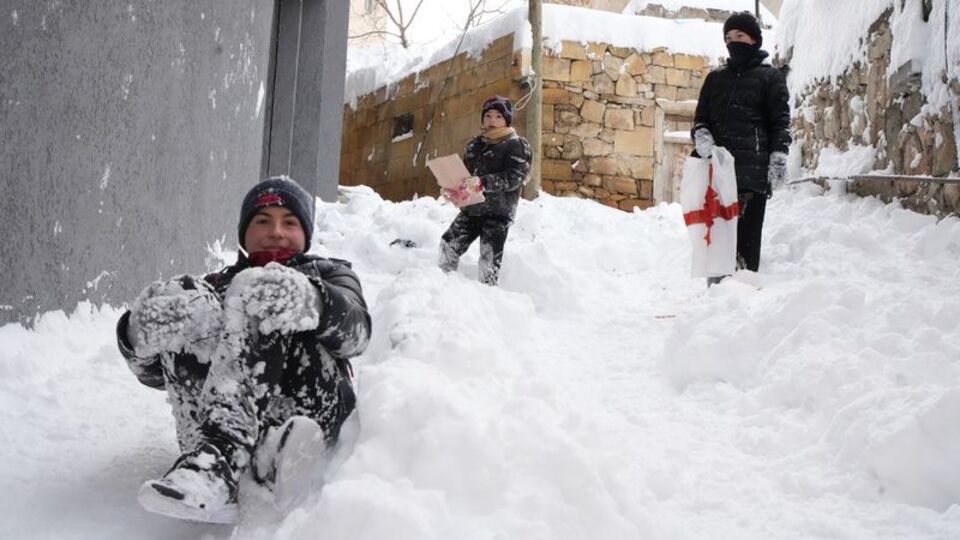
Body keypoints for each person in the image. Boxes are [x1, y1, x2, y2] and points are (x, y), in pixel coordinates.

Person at [115, 176, 371, 523]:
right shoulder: (215, 288)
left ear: (306, 233)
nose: (276, 231)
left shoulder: (330, 273)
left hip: (306, 417)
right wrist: (137, 337)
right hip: (206, 436)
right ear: (244, 232)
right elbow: (159, 377)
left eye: (290, 222)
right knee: (187, 295)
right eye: (262, 221)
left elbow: (357, 335)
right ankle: (216, 460)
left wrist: (313, 301)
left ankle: (241, 457)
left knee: (263, 286)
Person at [691, 11, 791, 282]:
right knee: (718, 246)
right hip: (717, 175)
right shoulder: (715, 79)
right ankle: (717, 302)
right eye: (728, 37)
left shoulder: (770, 78)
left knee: (745, 248)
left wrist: (778, 158)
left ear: (755, 40)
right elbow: (700, 120)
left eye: (740, 36)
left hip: (751, 175)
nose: (733, 41)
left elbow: (780, 123)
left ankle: (742, 302)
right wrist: (702, 138)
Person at [439, 95, 533, 286]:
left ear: (507, 120)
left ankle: (488, 298)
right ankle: (443, 286)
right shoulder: (474, 145)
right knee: (448, 244)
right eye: (488, 115)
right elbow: (465, 177)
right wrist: (453, 189)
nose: (492, 120)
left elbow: (515, 177)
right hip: (472, 209)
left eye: (498, 116)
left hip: (498, 213)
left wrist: (484, 183)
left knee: (488, 259)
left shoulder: (517, 145)